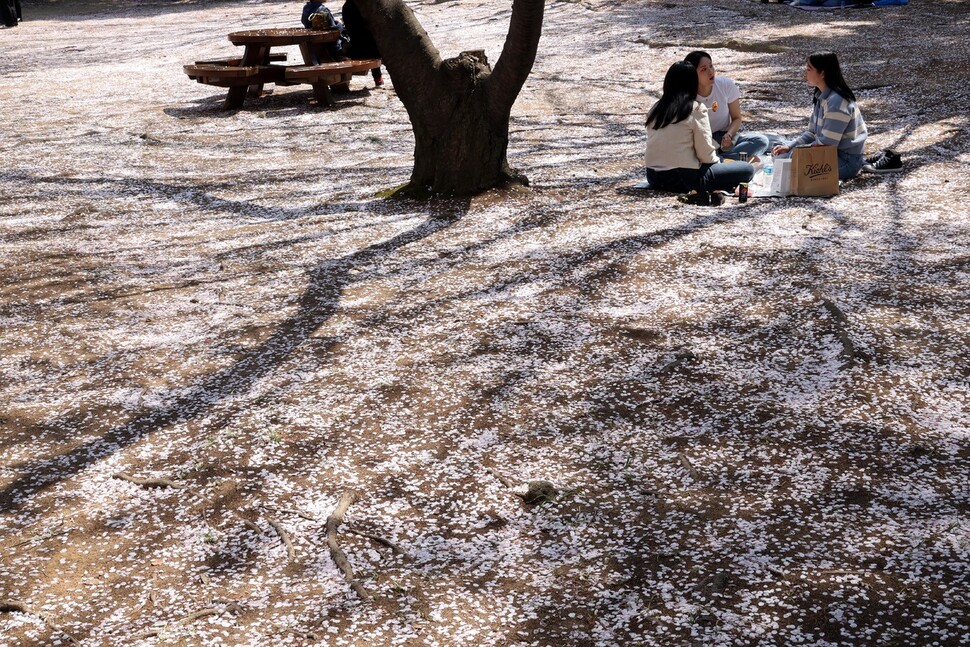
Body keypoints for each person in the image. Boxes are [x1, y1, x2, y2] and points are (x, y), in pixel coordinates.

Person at [645, 62, 754, 199]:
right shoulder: (695, 108)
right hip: (683, 179)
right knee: (746, 169)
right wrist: (719, 162)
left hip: (653, 176)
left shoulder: (656, 108)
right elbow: (706, 155)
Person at [771, 51, 868, 180]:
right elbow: (812, 132)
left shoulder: (836, 102)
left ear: (822, 73)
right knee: (780, 154)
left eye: (809, 69)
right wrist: (790, 147)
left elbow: (826, 144)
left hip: (845, 161)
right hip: (828, 153)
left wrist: (795, 153)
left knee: (789, 164)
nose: (805, 73)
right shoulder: (821, 97)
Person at [684, 50, 769, 161]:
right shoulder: (686, 96)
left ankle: (723, 160)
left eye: (711, 66)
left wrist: (729, 135)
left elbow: (737, 118)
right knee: (698, 156)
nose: (710, 72)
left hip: (724, 137)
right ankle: (737, 159)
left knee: (761, 141)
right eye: (704, 69)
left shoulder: (725, 85)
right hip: (702, 141)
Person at [341, 0, 384, 87]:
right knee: (372, 45)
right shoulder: (367, 6)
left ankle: (341, 82)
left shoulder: (346, 6)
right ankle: (378, 78)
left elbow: (348, 26)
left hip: (355, 49)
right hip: (372, 49)